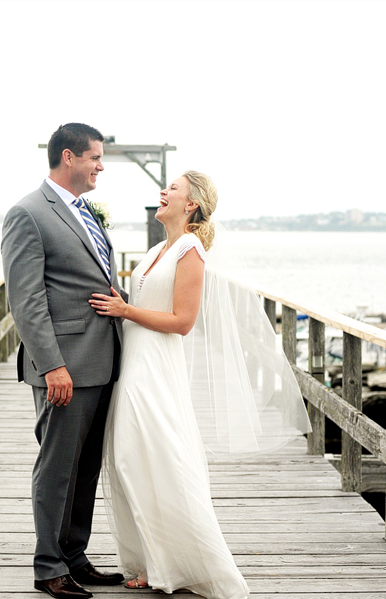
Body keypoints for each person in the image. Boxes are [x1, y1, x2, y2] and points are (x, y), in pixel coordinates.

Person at [88, 171, 311, 598]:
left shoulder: (191, 249)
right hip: (133, 360)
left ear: (190, 204)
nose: (163, 192)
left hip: (155, 365)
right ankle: (152, 560)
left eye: (172, 189)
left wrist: (125, 310)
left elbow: (183, 322)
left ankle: (193, 563)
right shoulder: (158, 248)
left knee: (152, 457)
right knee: (128, 460)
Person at [1, 123, 128, 599]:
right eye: (95, 157)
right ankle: (49, 567)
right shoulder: (29, 213)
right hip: (65, 367)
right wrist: (52, 364)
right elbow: (26, 299)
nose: (101, 166)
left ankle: (75, 555)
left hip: (102, 360)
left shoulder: (84, 211)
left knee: (86, 467)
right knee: (57, 468)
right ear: (69, 157)